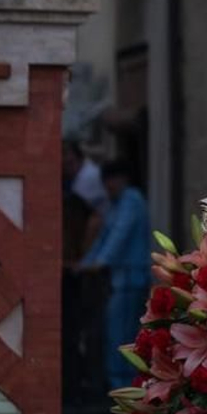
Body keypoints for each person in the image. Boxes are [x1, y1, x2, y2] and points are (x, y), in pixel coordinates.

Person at [77, 160, 151, 390]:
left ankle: (125, 387)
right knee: (115, 334)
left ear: (122, 179)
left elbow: (119, 235)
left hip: (131, 278)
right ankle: (118, 386)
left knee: (123, 336)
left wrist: (99, 263)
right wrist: (86, 263)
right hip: (119, 279)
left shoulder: (131, 200)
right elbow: (105, 237)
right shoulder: (117, 204)